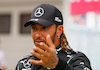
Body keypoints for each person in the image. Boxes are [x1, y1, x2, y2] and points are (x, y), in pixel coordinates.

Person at [16, 4, 92, 70]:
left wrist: (58, 65)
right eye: (34, 28)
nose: (37, 35)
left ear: (59, 30)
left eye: (44, 28)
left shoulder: (76, 59)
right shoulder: (23, 64)